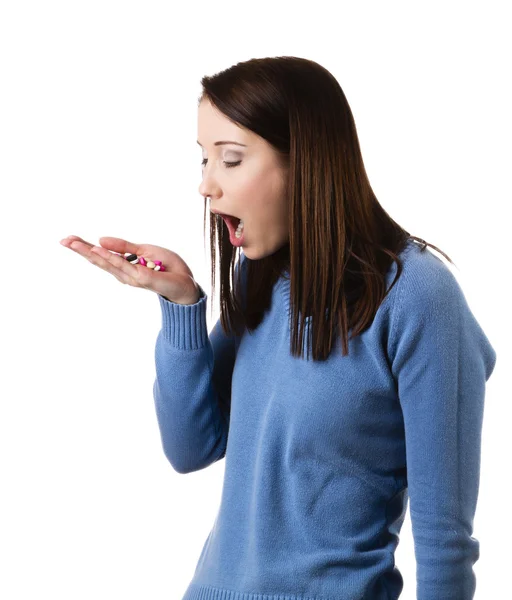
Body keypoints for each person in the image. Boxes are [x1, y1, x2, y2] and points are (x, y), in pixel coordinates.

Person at [60, 56, 497, 600]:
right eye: (203, 160)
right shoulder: (261, 278)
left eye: (231, 159)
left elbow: (444, 537)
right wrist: (182, 306)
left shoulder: (418, 298)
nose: (206, 185)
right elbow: (190, 448)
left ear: (305, 162)